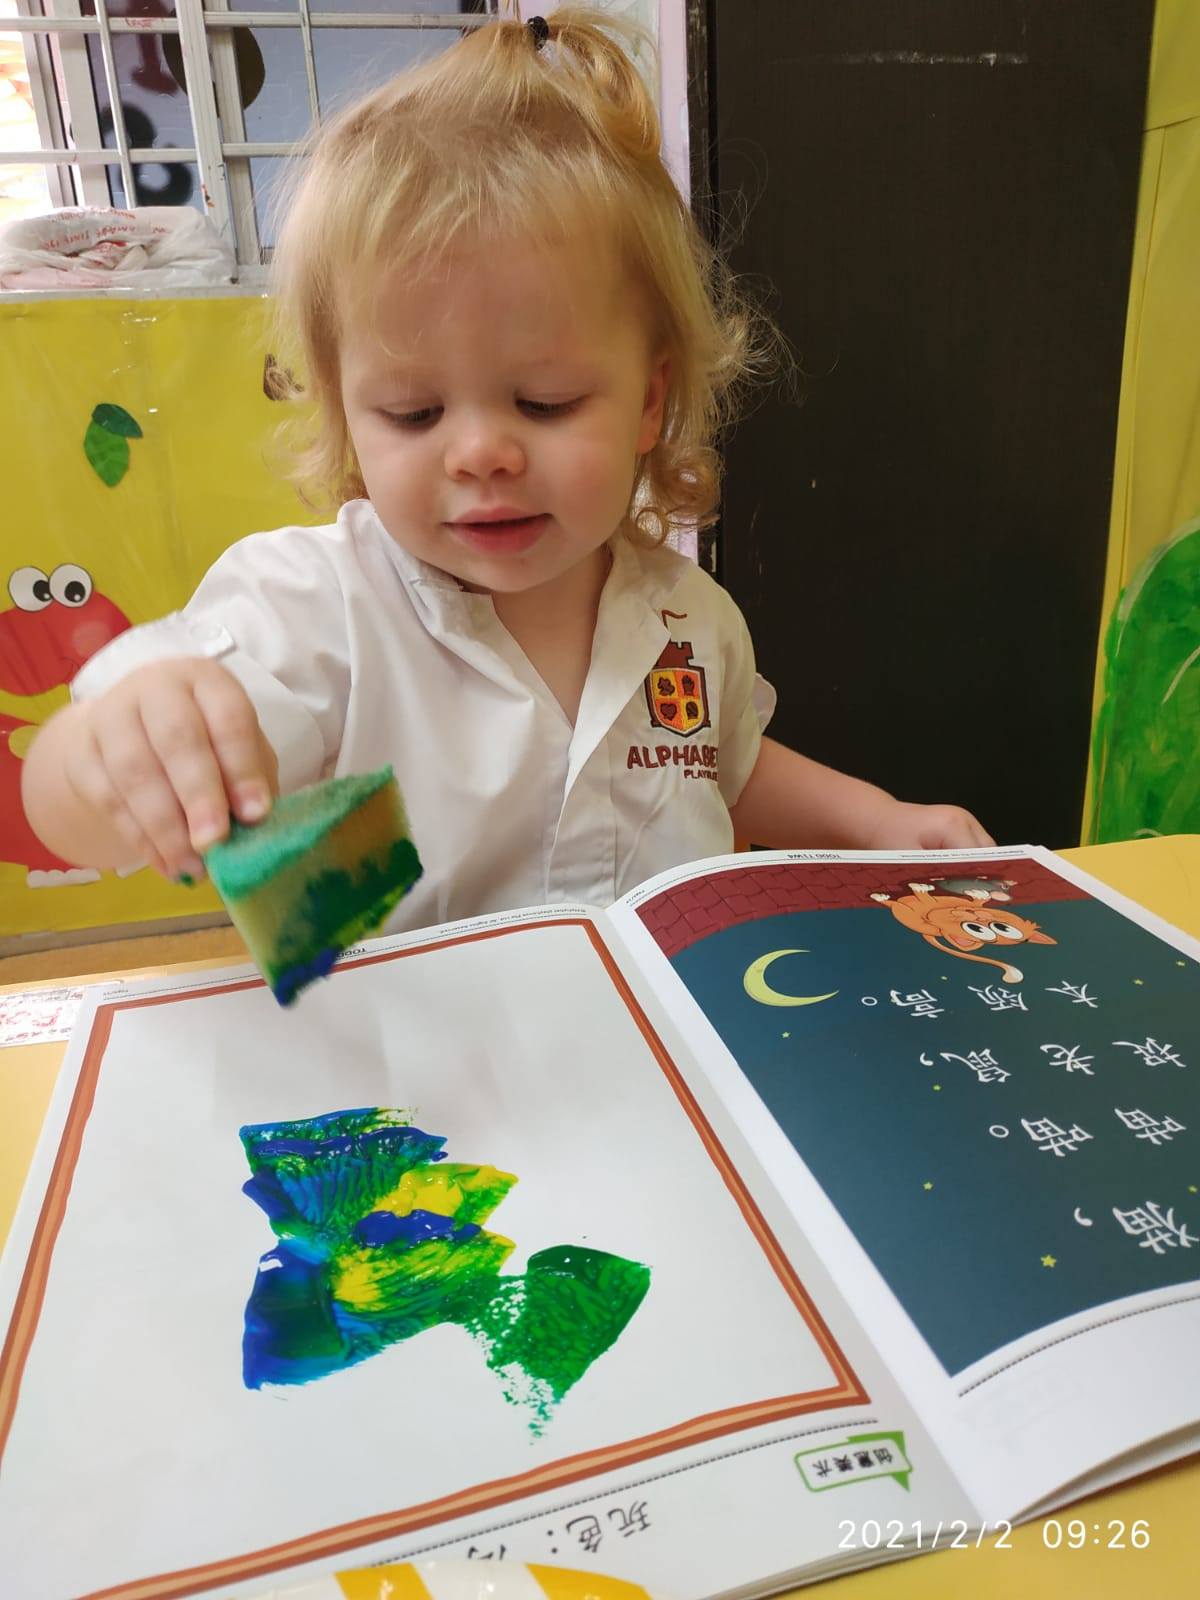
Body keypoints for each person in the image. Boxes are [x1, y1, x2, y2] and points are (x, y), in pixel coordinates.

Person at [22, 7, 993, 933]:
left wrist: (879, 822)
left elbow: (729, 765)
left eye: (546, 401)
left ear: (649, 401)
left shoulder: (689, 616)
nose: (481, 451)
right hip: (405, 1046)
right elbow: (75, 805)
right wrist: (110, 750)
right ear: (348, 417)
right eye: (414, 412)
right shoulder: (317, 611)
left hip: (652, 1026)